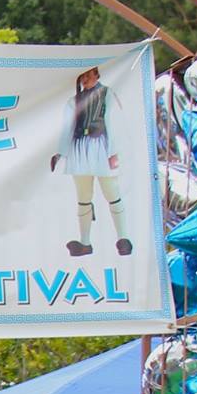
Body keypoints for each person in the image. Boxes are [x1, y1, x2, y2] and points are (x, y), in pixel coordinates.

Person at [51, 66, 131, 258]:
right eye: (83, 76)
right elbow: (67, 128)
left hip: (101, 145)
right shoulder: (74, 101)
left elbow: (113, 121)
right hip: (80, 148)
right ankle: (85, 242)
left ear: (96, 75)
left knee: (112, 192)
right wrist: (60, 153)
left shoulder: (107, 94)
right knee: (84, 197)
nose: (85, 79)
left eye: (89, 75)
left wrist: (113, 151)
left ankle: (123, 238)